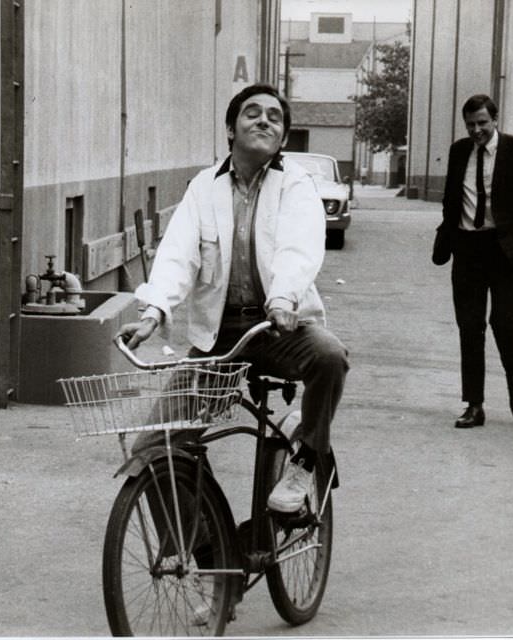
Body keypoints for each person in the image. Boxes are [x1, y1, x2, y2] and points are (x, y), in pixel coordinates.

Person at [116, 83, 349, 512]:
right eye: (252, 112)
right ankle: (201, 548)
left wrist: (282, 300)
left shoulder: (296, 186)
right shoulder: (204, 187)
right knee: (150, 450)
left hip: (278, 329)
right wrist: (153, 312)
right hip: (220, 339)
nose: (264, 120)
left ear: (282, 137)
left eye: (274, 117)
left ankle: (306, 460)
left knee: (330, 356)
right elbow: (177, 254)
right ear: (230, 129)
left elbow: (299, 249)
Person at [439, 94, 513, 428]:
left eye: (482, 123)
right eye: (470, 124)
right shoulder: (459, 152)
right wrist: (451, 237)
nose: (476, 131)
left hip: (507, 251)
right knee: (470, 327)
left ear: (495, 120)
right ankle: (474, 404)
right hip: (469, 249)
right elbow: (451, 199)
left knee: (504, 322)